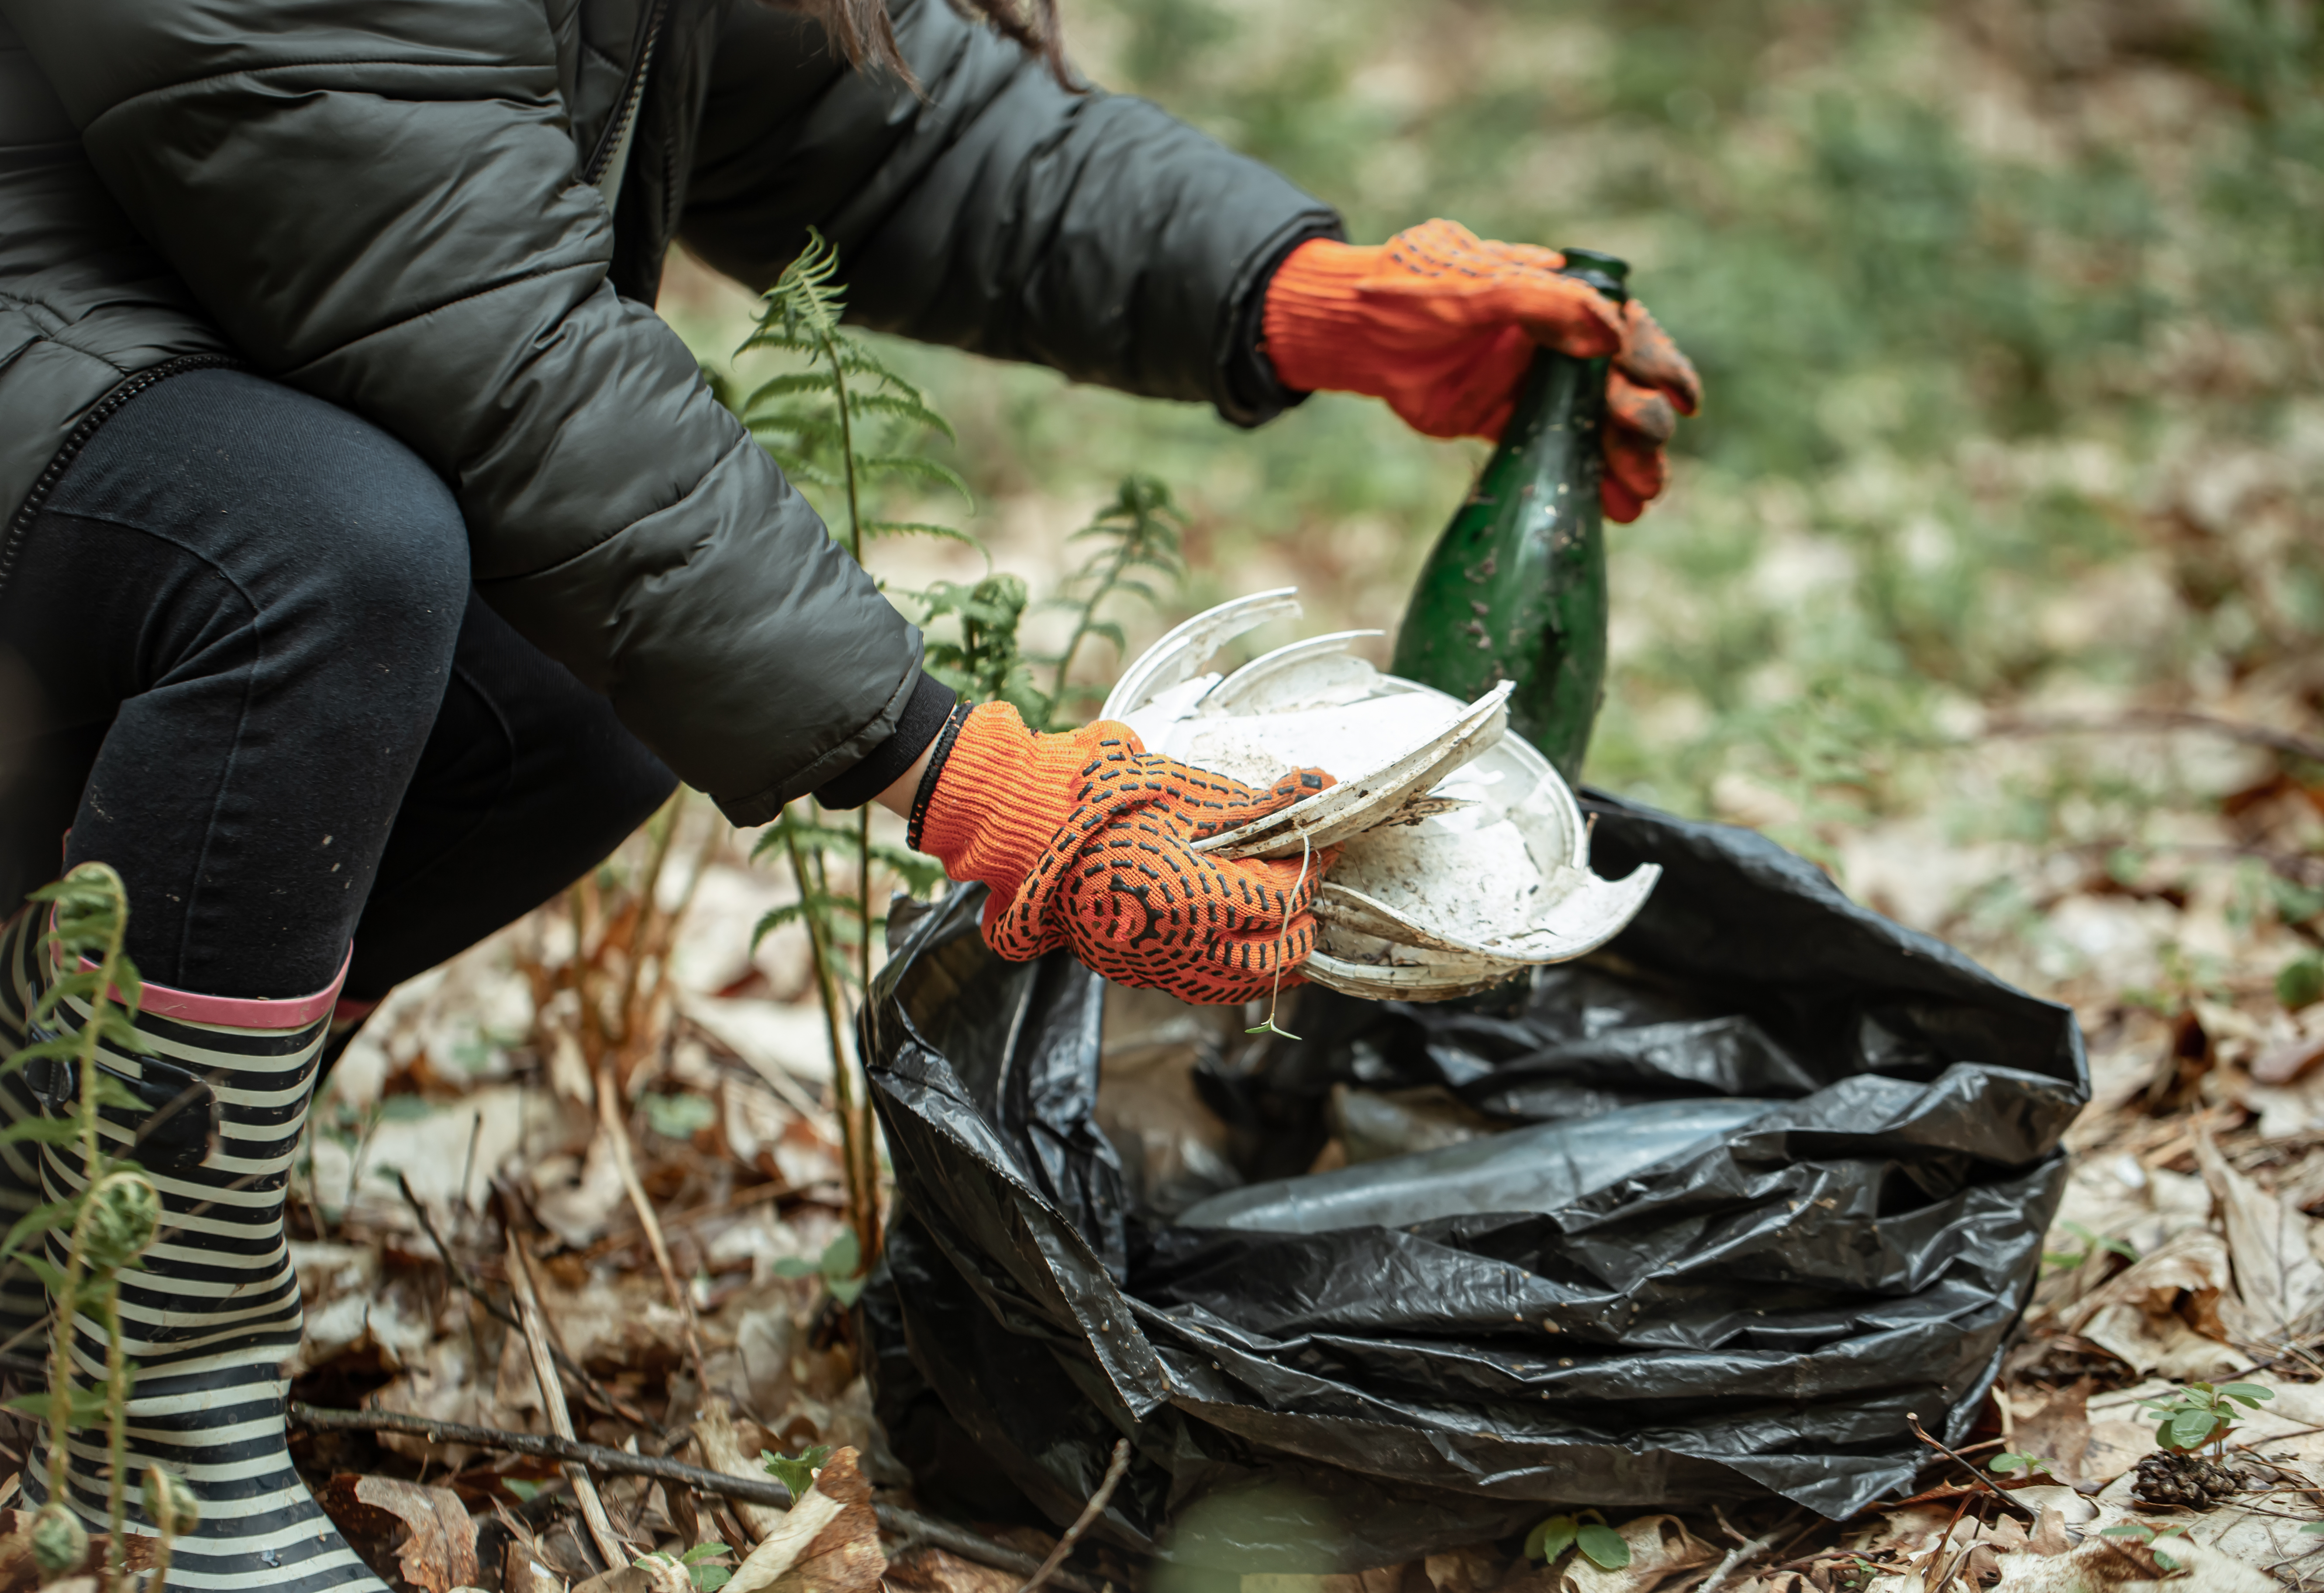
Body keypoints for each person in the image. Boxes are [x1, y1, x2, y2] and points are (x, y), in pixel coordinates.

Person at [0, 0, 1702, 1586]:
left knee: (568, 714)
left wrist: (1304, 296)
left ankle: (66, 1163)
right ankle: (132, 1367)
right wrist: (961, 770)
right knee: (328, 559)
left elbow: (887, 134)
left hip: (113, 335)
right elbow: (482, 329)